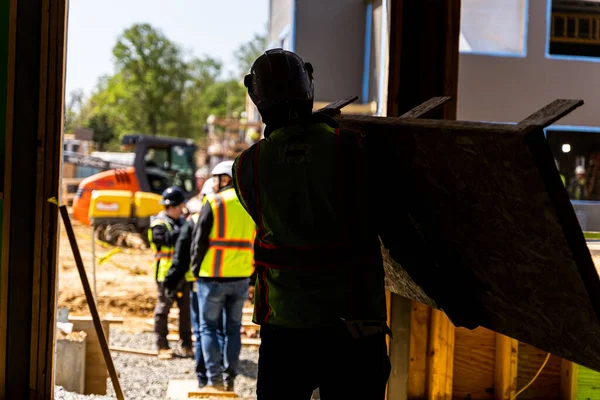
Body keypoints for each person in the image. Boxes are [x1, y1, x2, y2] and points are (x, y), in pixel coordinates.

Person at [233, 48, 391, 400]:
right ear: (309, 87)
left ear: (255, 97)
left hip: (284, 327)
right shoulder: (351, 147)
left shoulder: (248, 165)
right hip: (353, 324)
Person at [190, 161, 256, 391]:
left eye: (217, 178)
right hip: (241, 278)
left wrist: (195, 270)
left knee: (207, 328)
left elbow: (199, 241)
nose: (215, 183)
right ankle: (230, 381)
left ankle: (214, 381)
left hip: (212, 277)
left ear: (225, 179)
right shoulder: (251, 205)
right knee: (232, 329)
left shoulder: (215, 202)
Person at [163, 177, 225, 388]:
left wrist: (170, 282)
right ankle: (223, 373)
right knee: (222, 329)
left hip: (202, 281)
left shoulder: (193, 221)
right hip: (234, 278)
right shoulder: (232, 215)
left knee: (204, 329)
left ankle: (205, 377)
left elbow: (182, 258)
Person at [148, 186, 194, 360]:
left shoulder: (182, 223)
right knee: (163, 310)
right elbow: (167, 239)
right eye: (181, 206)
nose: (183, 209)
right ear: (173, 206)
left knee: (186, 312)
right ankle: (162, 345)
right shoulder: (159, 224)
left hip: (184, 274)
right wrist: (188, 229)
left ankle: (186, 344)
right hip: (166, 276)